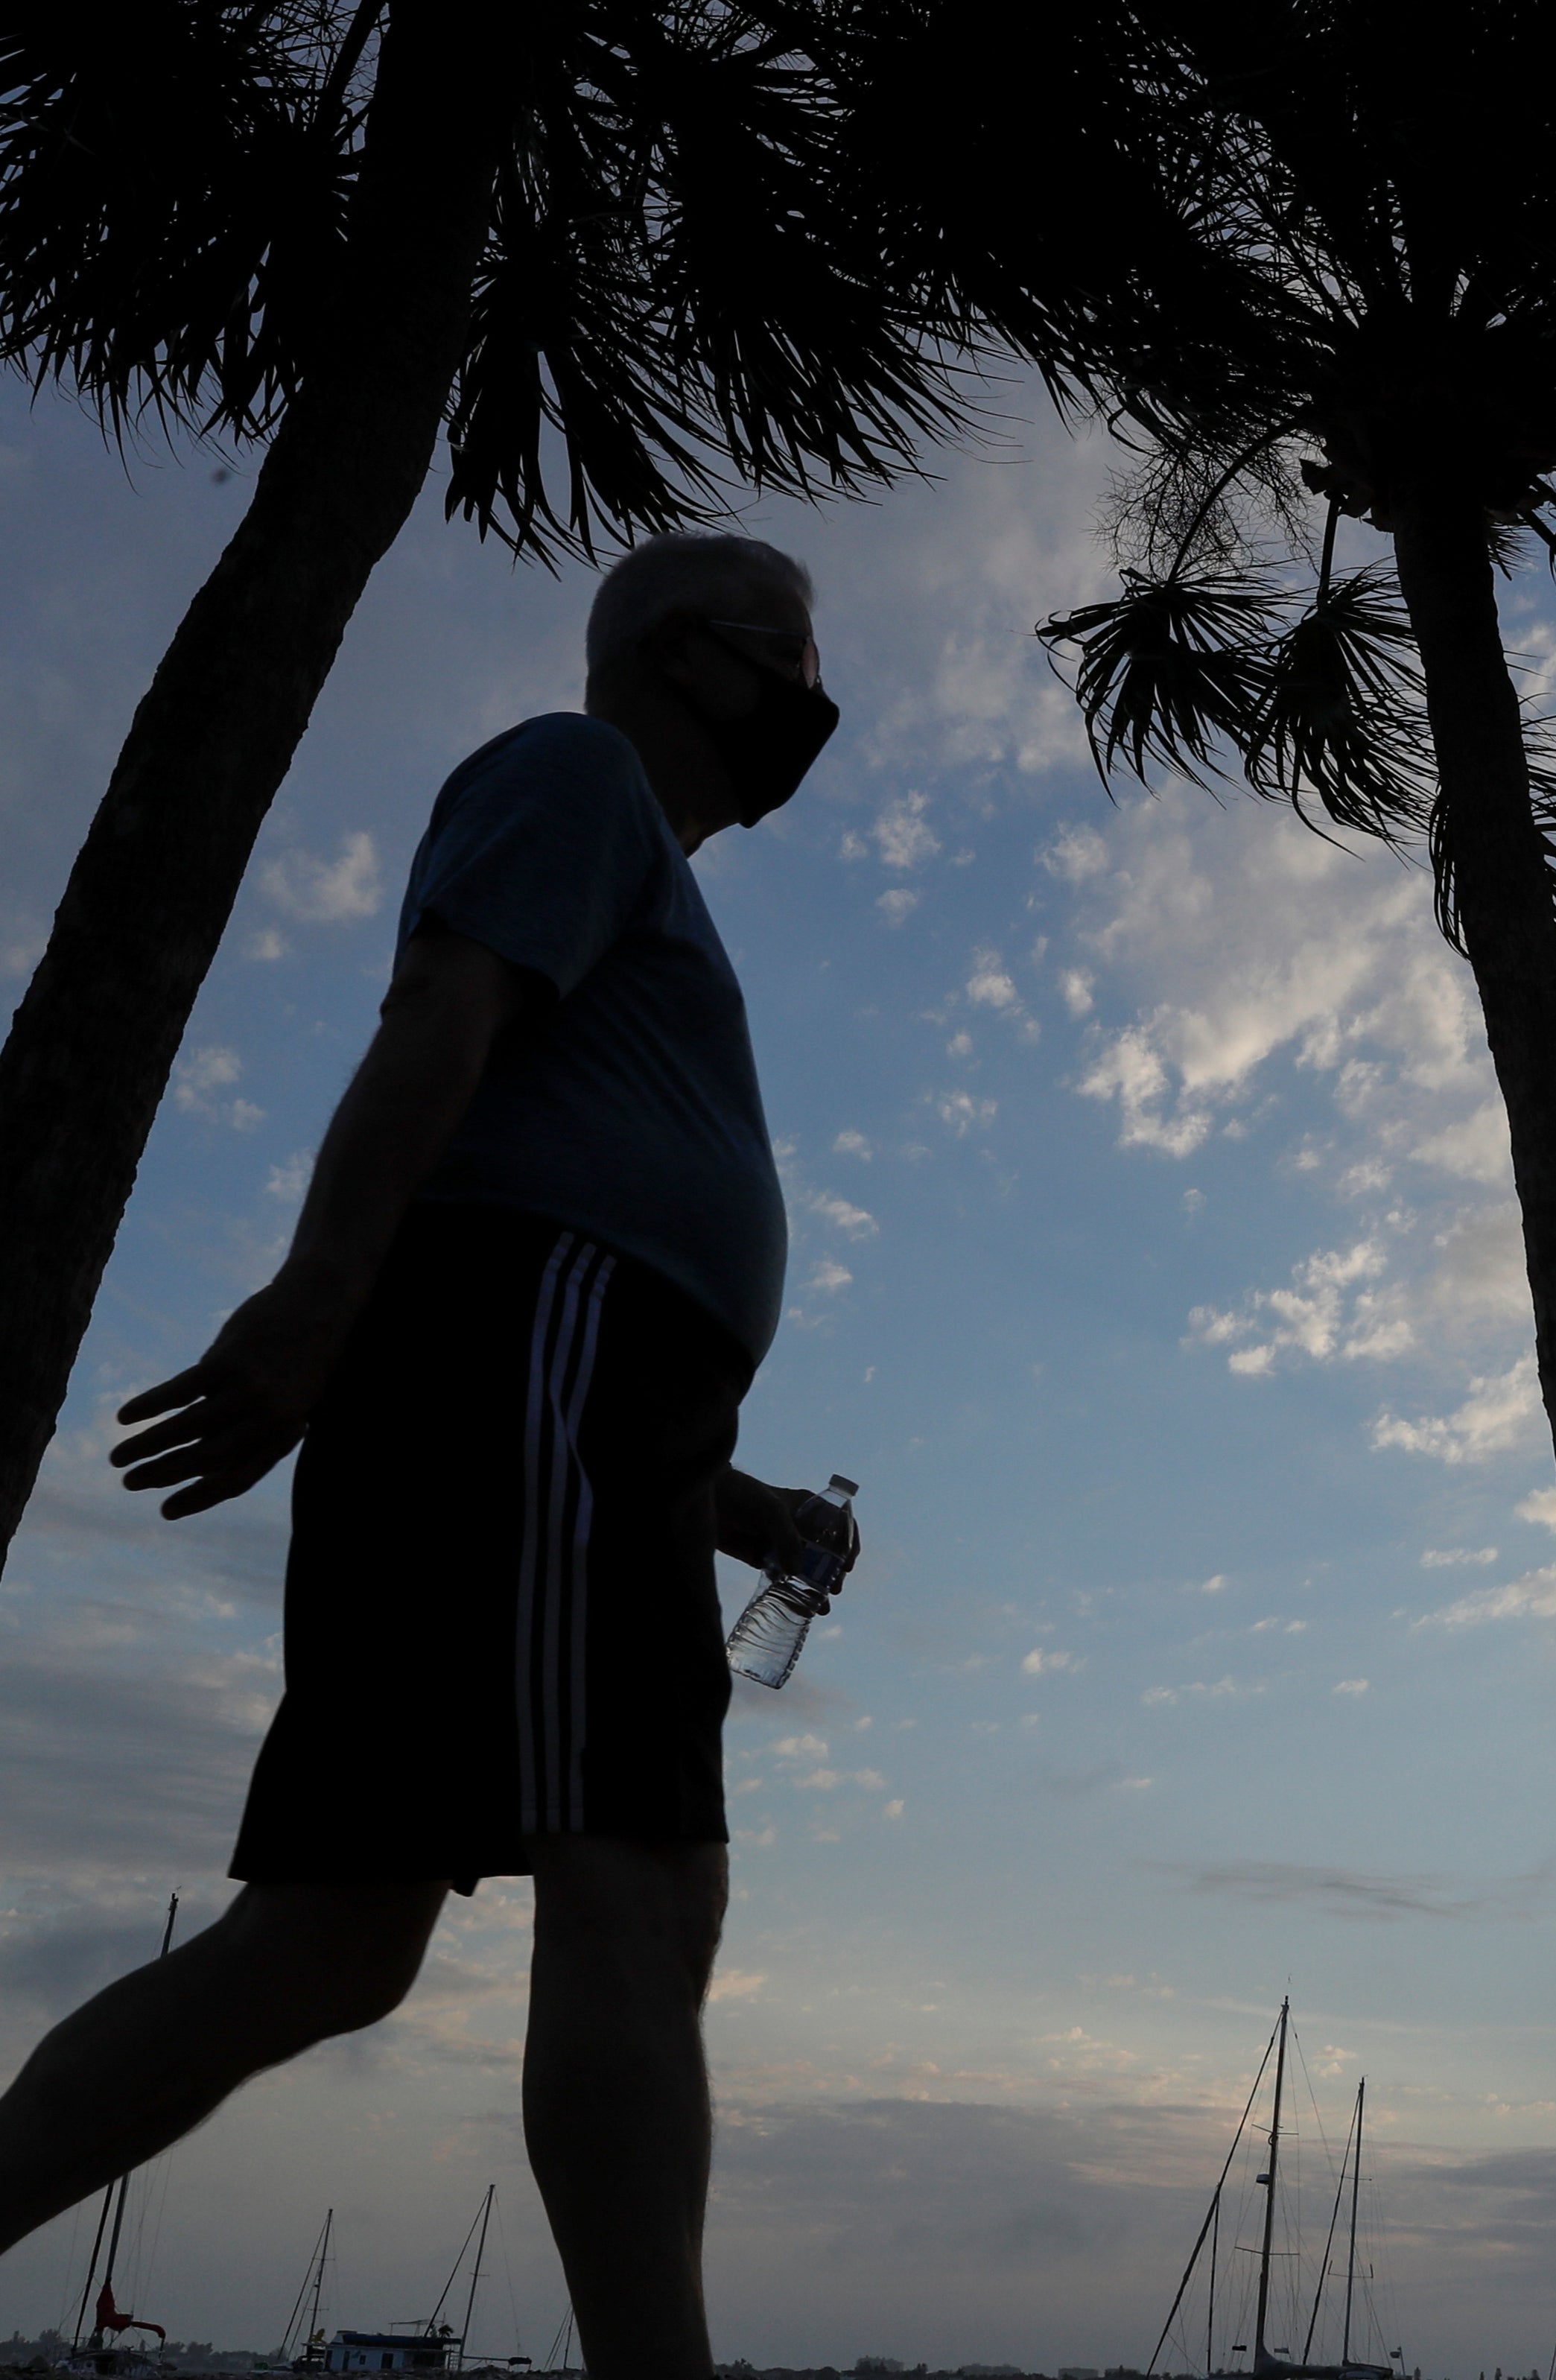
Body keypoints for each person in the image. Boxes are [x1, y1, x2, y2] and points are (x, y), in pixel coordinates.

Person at [0, 533, 850, 2380]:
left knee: (328, 1938)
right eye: (789, 657)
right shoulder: (578, 769)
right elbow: (442, 1016)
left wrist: (732, 1502)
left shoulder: (629, 857)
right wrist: (317, 1294)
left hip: (552, 1384)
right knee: (639, 1871)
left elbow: (556, 1307)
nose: (814, 700)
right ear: (677, 651)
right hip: (536, 1348)